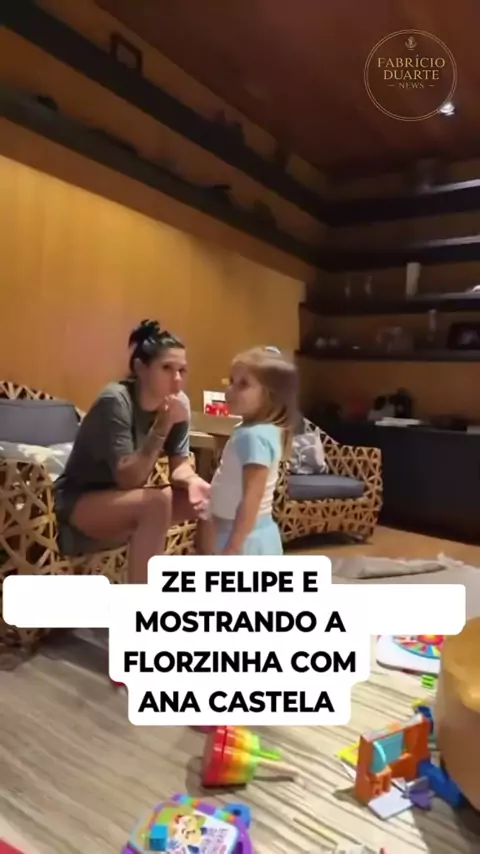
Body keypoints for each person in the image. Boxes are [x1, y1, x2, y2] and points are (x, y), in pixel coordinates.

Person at [54, 319, 211, 583]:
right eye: (167, 368)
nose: (177, 379)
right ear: (140, 368)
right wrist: (161, 426)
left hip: (125, 501)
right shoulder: (116, 401)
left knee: (210, 499)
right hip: (79, 503)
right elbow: (128, 479)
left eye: (182, 370)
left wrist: (194, 481)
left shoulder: (178, 403)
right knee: (156, 503)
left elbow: (179, 467)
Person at [208, 346, 297, 555]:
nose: (230, 390)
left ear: (270, 396)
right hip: (246, 533)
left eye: (243, 384)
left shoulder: (254, 437)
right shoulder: (257, 431)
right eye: (231, 381)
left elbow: (252, 499)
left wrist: (232, 547)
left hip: (244, 539)